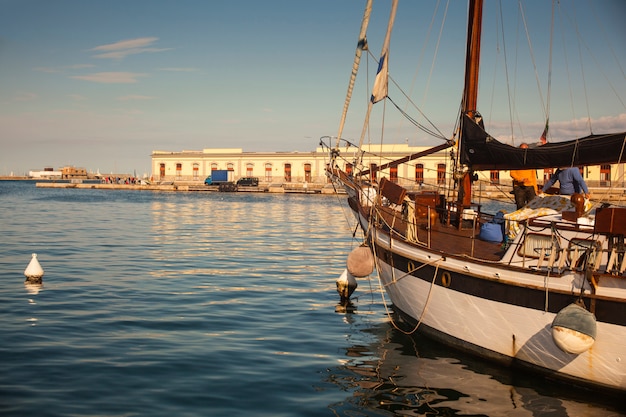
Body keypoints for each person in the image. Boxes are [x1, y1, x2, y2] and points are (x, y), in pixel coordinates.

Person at [510, 143, 538, 209]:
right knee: (520, 205)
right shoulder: (515, 160)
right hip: (519, 186)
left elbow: (533, 176)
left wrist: (535, 189)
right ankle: (520, 219)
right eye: (523, 149)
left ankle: (529, 219)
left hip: (530, 186)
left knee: (531, 205)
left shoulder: (531, 161)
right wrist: (520, 179)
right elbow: (512, 173)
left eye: (526, 149)